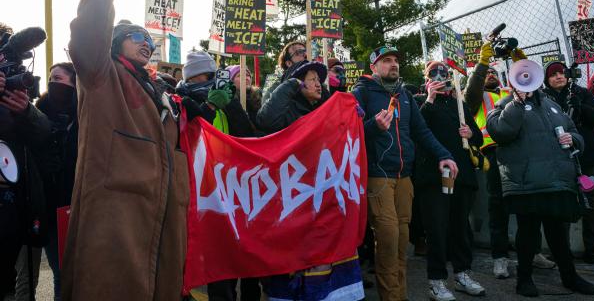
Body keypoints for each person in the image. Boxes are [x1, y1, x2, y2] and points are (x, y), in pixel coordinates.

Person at [63, 0, 189, 300]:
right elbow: (89, 34)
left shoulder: (162, 93)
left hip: (161, 233)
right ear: (115, 43)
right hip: (116, 231)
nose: (147, 43)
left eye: (150, 40)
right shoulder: (102, 75)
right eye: (138, 37)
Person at [352, 46, 458, 301]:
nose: (393, 64)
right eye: (386, 60)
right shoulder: (361, 93)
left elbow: (421, 131)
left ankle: (399, 295)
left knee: (401, 240)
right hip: (378, 176)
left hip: (404, 177)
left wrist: (445, 154)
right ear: (373, 67)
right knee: (388, 239)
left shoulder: (405, 95)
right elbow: (350, 134)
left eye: (396, 60)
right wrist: (373, 127)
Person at [257, 61, 364, 301]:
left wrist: (357, 119)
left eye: (319, 79)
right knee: (295, 259)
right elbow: (266, 120)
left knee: (324, 259)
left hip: (323, 197)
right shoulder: (287, 109)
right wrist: (292, 84)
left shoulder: (326, 108)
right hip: (294, 198)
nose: (318, 83)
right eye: (312, 78)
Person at [486, 72, 594, 297]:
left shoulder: (552, 106)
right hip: (527, 183)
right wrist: (518, 102)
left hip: (556, 181)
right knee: (527, 233)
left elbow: (575, 133)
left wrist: (573, 139)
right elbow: (500, 132)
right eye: (520, 78)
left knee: (558, 233)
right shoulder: (503, 104)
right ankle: (524, 279)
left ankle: (569, 276)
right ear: (511, 83)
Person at [464, 42, 555, 278]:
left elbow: (531, 80)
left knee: (529, 203)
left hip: (521, 152)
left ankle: (533, 253)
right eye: (487, 74)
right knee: (498, 207)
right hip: (494, 153)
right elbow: (472, 90)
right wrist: (482, 64)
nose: (491, 75)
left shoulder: (509, 91)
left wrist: (519, 58)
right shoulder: (476, 96)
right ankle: (500, 257)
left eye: (495, 72)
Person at [177, 52, 260, 301]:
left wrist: (231, 102)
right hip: (205, 195)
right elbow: (188, 135)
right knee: (218, 266)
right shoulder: (181, 99)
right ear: (194, 76)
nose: (215, 80)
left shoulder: (227, 98)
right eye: (210, 75)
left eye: (217, 75)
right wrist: (210, 107)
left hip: (234, 189)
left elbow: (247, 135)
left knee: (246, 258)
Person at [415, 61, 486, 300]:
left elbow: (477, 136)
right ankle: (436, 281)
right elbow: (418, 130)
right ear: (426, 80)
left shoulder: (459, 104)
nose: (439, 77)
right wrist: (430, 99)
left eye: (443, 74)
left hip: (461, 174)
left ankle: (462, 273)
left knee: (460, 227)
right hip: (434, 176)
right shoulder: (420, 103)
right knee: (437, 228)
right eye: (433, 74)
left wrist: (470, 134)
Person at [0, 24, 51, 300]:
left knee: (21, 281)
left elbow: (44, 133)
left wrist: (26, 111)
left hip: (21, 202)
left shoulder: (18, 98)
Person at [543, 61, 594, 264]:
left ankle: (592, 248)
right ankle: (562, 251)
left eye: (562, 73)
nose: (559, 77)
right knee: (562, 202)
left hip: (587, 156)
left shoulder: (581, 92)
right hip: (559, 158)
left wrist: (581, 107)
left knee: (591, 202)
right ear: (546, 79)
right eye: (553, 74)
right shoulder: (543, 98)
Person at [24, 62, 78, 301]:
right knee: (46, 275)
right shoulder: (35, 114)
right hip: (42, 207)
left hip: (73, 207)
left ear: (74, 84)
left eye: (59, 78)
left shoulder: (84, 118)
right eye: (51, 78)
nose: (53, 83)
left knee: (71, 275)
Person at [261, 40, 307, 106]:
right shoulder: (276, 88)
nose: (305, 55)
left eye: (306, 51)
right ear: (289, 63)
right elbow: (266, 112)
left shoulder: (318, 84)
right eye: (299, 52)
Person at [227, 64, 262, 129]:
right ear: (231, 81)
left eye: (248, 75)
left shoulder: (258, 97)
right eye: (240, 75)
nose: (246, 78)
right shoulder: (228, 101)